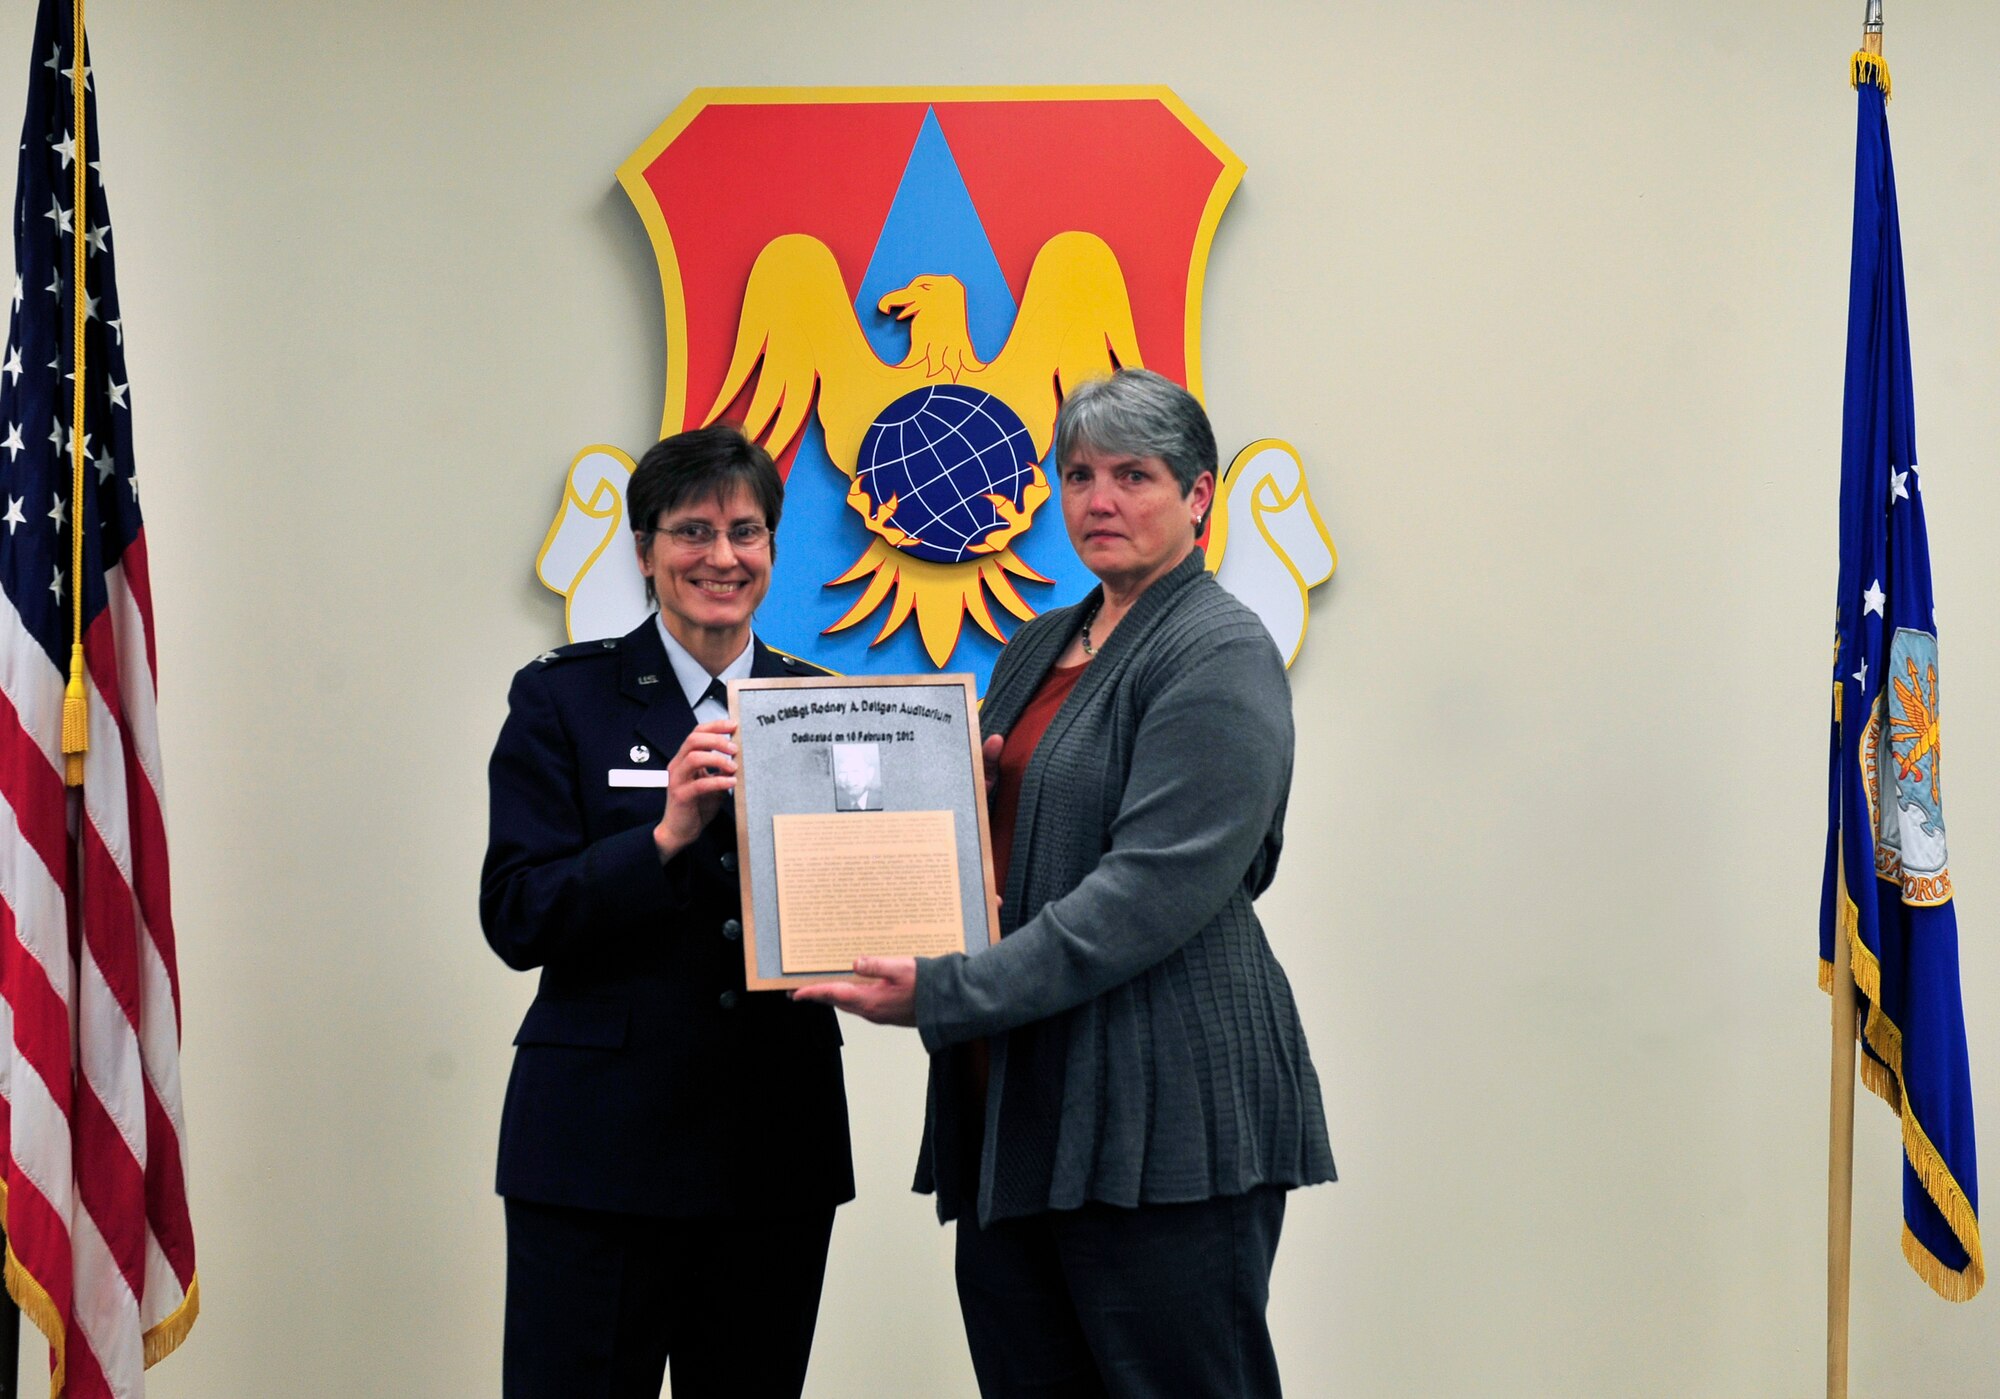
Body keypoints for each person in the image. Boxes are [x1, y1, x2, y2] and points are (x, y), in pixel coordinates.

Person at [797, 369, 1335, 1398]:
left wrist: (946, 990)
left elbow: (1151, 890)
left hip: (1158, 1108)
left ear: (1197, 497)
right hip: (1024, 1101)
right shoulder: (1039, 643)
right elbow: (981, 840)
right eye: (1078, 473)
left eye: (1133, 475)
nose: (1097, 499)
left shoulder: (1218, 650)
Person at [481, 424, 852, 1399]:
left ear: (773, 548)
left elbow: (856, 906)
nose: (720, 558)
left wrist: (943, 847)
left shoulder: (828, 707)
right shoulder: (564, 699)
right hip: (596, 1152)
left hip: (773, 1145)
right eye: (692, 532)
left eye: (745, 532)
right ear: (643, 553)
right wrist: (660, 838)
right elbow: (515, 914)